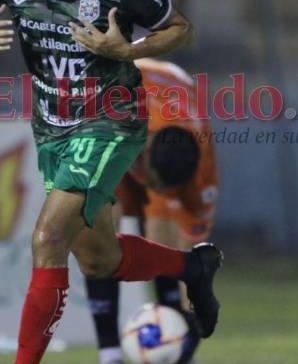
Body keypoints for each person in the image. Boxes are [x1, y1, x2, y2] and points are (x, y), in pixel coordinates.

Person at [0, 0, 222, 364]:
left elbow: (180, 28)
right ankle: (193, 266)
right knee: (97, 258)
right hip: (52, 127)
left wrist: (126, 50)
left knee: (47, 239)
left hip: (110, 120)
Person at [87, 58, 219, 364]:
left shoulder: (202, 176)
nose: (154, 192)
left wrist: (187, 329)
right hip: (115, 116)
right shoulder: (113, 112)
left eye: (165, 190)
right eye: (154, 185)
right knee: (102, 234)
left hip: (170, 107)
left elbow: (192, 261)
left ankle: (177, 351)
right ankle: (110, 355)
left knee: (164, 241)